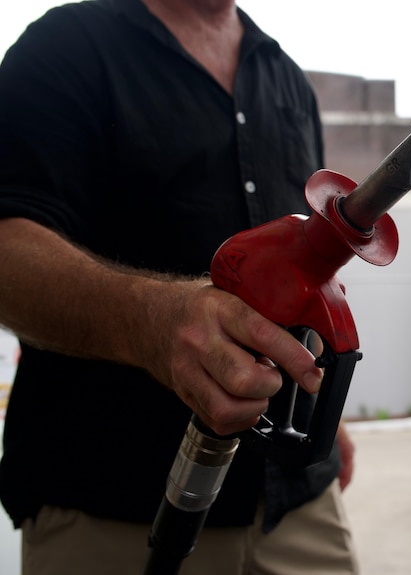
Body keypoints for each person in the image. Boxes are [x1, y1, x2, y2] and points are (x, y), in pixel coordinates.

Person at [0, 0, 359, 573]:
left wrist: (319, 410)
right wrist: (154, 321)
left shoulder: (286, 78)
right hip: (113, 511)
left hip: (298, 508)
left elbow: (299, 273)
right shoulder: (65, 46)